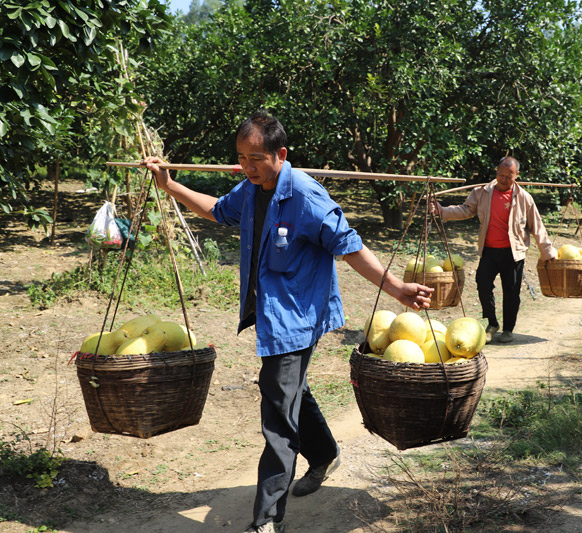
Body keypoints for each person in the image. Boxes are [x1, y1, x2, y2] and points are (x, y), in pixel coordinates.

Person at [144, 111, 432, 533]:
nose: (247, 166)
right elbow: (218, 211)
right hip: (271, 314)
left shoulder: (305, 195)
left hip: (299, 314)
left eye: (255, 158)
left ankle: (266, 519)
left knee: (278, 413)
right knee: (285, 389)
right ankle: (325, 454)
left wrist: (395, 288)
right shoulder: (250, 188)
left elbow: (348, 245)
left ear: (280, 154)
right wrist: (169, 186)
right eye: (241, 157)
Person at [429, 156, 557, 344]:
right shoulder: (482, 192)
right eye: (501, 175)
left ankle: (508, 329)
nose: (504, 179)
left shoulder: (524, 198)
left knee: (511, 292)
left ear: (517, 175)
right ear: (496, 171)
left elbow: (537, 227)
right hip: (489, 250)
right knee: (482, 283)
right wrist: (442, 211)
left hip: (513, 253)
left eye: (509, 176)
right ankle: (492, 323)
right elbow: (465, 210)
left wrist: (548, 252)